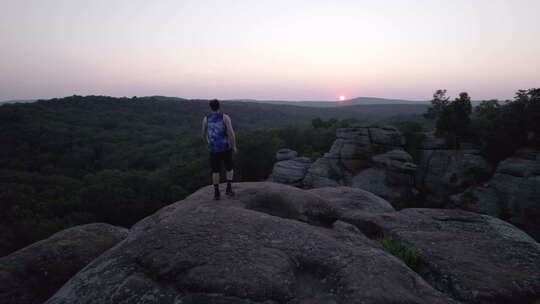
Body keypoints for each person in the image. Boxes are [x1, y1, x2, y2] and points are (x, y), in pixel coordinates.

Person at [201, 99, 237, 200]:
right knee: (229, 168)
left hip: (213, 148)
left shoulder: (206, 119)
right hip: (226, 147)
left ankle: (216, 193)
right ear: (219, 106)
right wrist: (234, 146)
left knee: (215, 171)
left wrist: (207, 143)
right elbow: (231, 133)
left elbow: (203, 134)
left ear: (210, 107)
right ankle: (228, 188)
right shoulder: (225, 117)